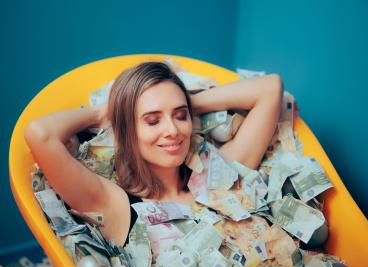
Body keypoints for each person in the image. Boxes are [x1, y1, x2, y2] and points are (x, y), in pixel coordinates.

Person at [24, 61, 282, 248]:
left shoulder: (219, 174)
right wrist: (104, 114)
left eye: (180, 117)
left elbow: (270, 88)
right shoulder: (113, 203)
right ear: (125, 128)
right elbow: (40, 134)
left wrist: (188, 103)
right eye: (152, 121)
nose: (172, 130)